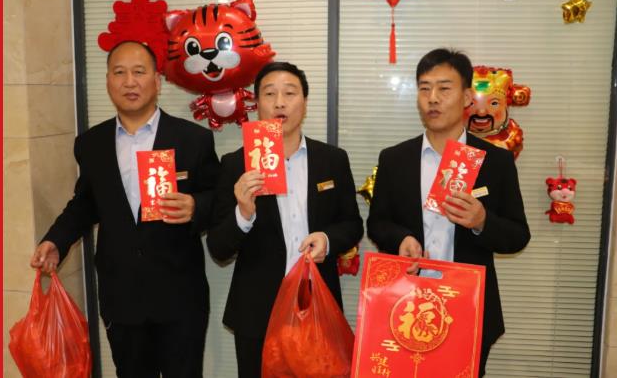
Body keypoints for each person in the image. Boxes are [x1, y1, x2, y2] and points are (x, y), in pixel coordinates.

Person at [30, 41, 220, 378]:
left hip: (180, 295)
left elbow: (219, 196)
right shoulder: (91, 143)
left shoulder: (193, 139)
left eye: (139, 72)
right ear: (108, 81)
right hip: (121, 296)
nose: (129, 82)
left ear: (157, 81)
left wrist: (196, 206)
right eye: (119, 73)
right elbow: (85, 203)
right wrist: (56, 240)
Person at [367, 48, 530, 377]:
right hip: (405, 304)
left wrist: (482, 222)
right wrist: (401, 239)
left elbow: (517, 235)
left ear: (467, 97)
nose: (433, 98)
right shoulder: (395, 159)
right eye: (425, 88)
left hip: (469, 307)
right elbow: (378, 223)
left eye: (444, 88)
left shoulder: (495, 162)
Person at [207, 62, 363, 378]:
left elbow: (352, 225)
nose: (280, 103)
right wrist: (243, 213)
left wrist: (327, 240)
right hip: (257, 312)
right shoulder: (236, 164)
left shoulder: (332, 159)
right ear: (257, 103)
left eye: (290, 93)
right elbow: (218, 248)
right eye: (269, 94)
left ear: (304, 102)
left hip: (316, 306)